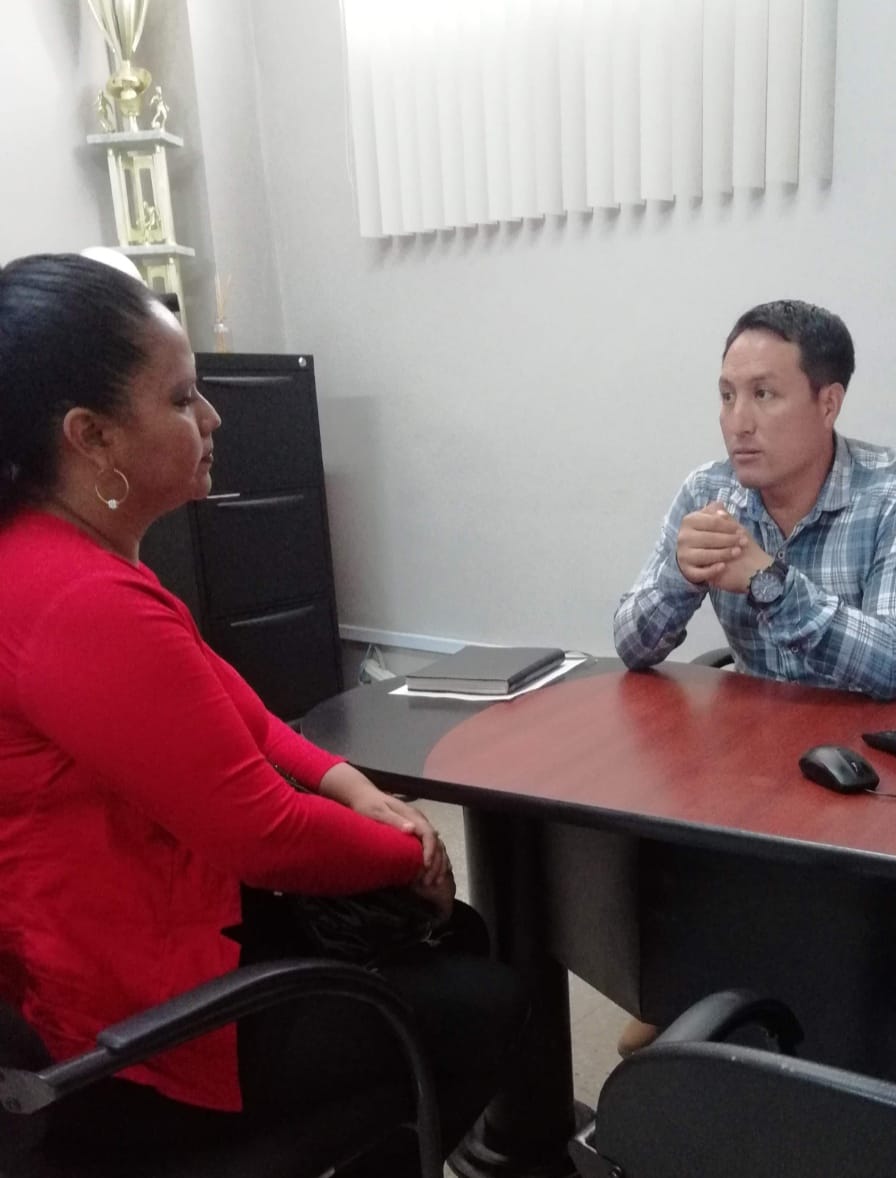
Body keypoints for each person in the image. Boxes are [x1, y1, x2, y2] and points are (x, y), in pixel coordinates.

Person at [0, 253, 526, 1173]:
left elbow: (237, 711)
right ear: (92, 436)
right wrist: (414, 851)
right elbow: (263, 833)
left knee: (457, 937)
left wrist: (350, 785)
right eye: (181, 399)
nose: (212, 418)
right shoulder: (78, 601)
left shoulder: (58, 559)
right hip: (130, 1016)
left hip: (136, 932)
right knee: (482, 1002)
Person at [614, 298, 896, 701]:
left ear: (828, 405)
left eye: (763, 394)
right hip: (758, 732)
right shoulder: (707, 491)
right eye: (727, 396)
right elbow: (630, 647)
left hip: (873, 737)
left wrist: (770, 584)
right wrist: (680, 577)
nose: (738, 423)